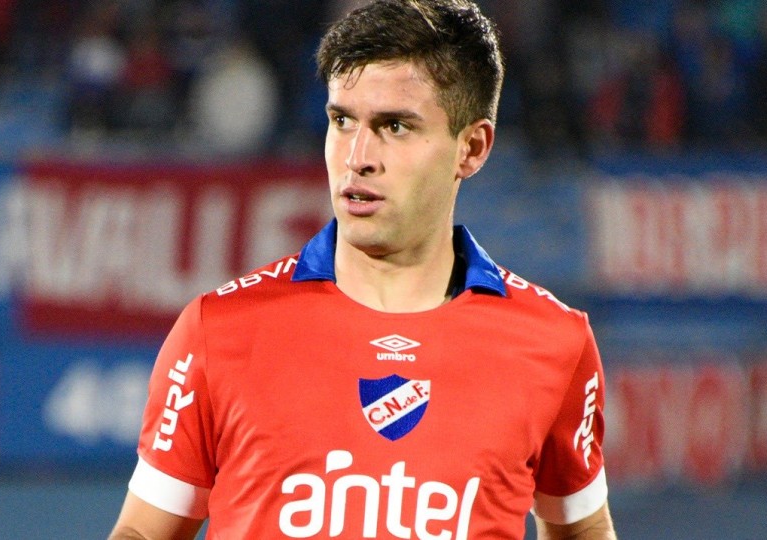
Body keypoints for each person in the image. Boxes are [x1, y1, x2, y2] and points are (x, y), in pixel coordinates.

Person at [108, 1, 617, 538]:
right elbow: (143, 531)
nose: (357, 157)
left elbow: (583, 529)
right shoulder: (219, 330)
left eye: (395, 126)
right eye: (343, 120)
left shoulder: (553, 343)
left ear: (471, 148)